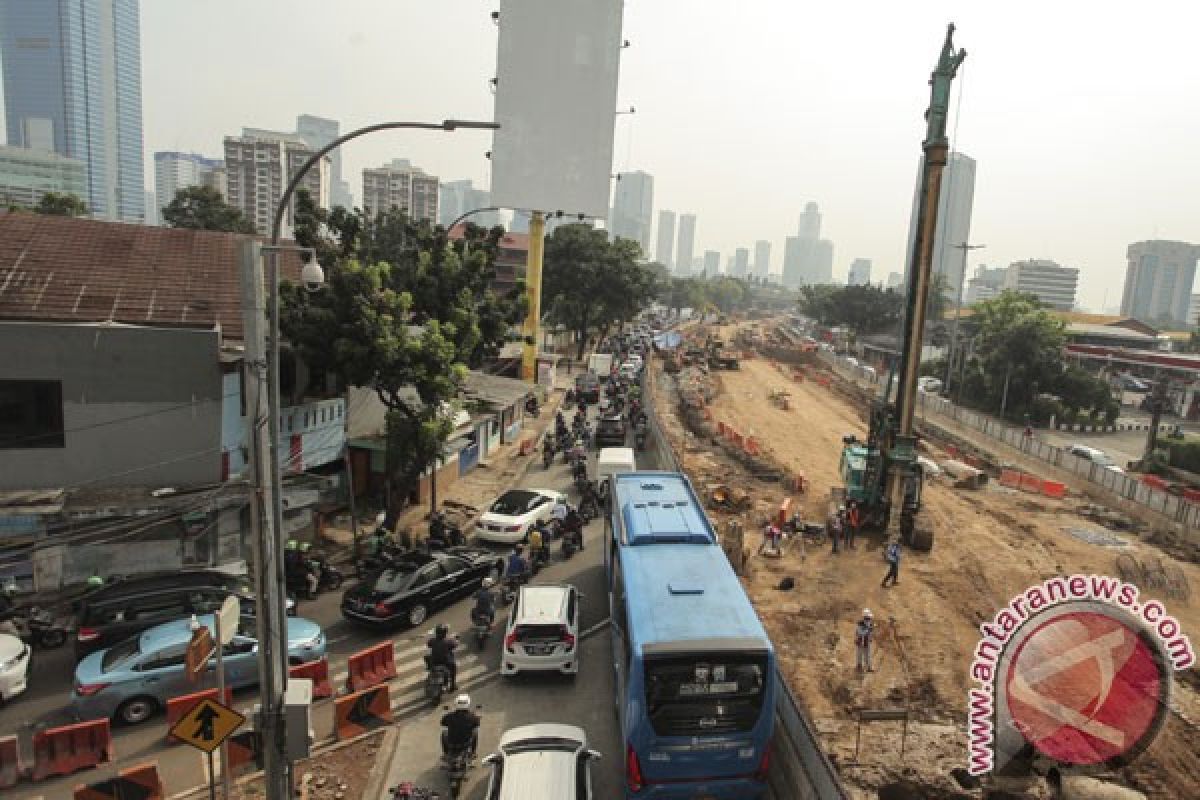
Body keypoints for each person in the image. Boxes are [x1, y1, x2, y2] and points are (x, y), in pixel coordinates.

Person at [440, 694, 480, 760]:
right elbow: (477, 724)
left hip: (451, 743)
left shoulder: (449, 716)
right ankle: (473, 752)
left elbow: (442, 723)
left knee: (444, 733)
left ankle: (446, 753)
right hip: (466, 743)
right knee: (475, 732)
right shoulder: (473, 717)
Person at [426, 623, 459, 691]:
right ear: (445, 633)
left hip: (434, 662)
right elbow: (455, 645)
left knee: (427, 657)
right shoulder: (449, 641)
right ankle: (453, 685)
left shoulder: (433, 640)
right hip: (446, 662)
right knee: (454, 667)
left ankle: (429, 669)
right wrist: (456, 639)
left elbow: (428, 644)